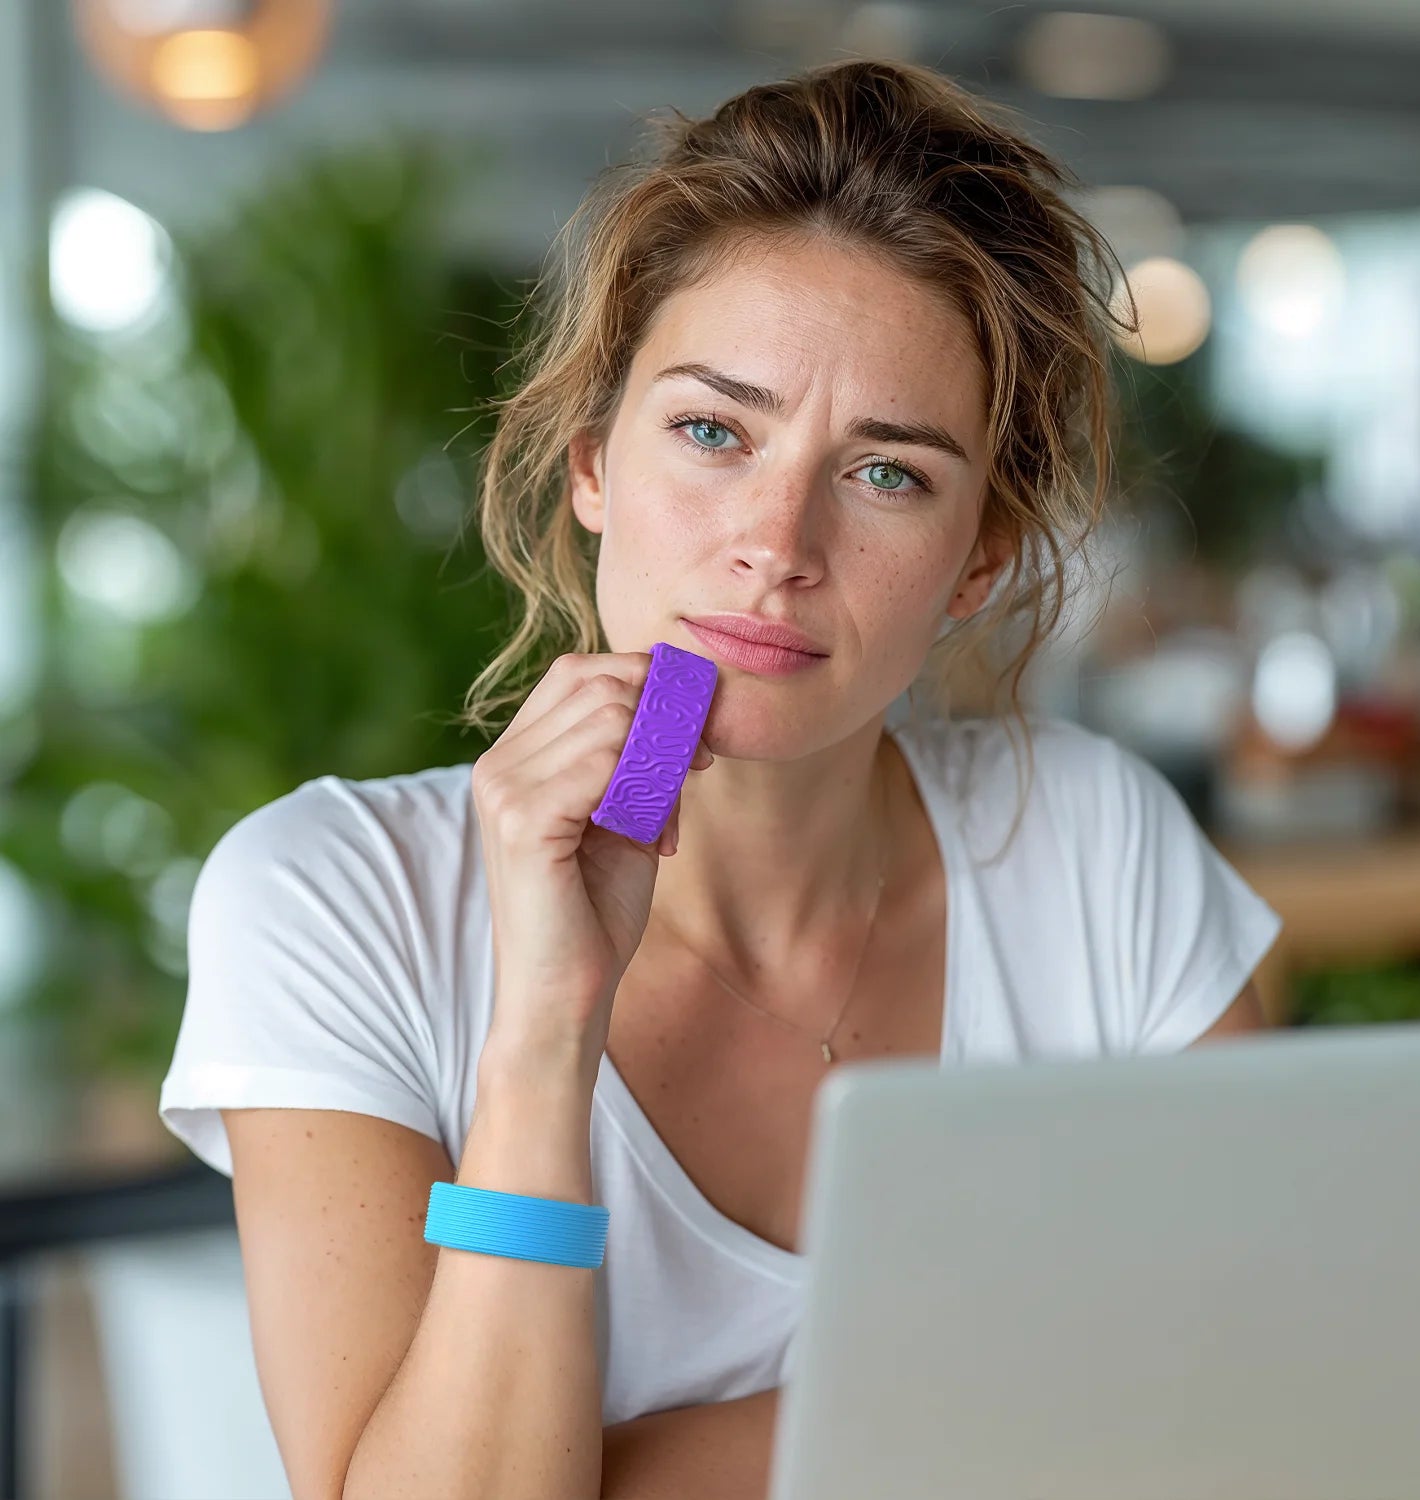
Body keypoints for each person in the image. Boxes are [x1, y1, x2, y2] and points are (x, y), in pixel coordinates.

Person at [159, 56, 1282, 1500]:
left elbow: (1270, 1384)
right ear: (590, 468)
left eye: (888, 473)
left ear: (977, 564)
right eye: (711, 431)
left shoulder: (1088, 845)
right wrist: (545, 1034)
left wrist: (624, 1474)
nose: (776, 540)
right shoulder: (332, 903)